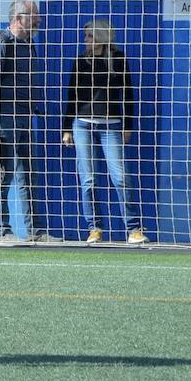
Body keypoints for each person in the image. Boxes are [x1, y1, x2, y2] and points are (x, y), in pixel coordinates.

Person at [60, 19, 147, 245]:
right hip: (82, 125)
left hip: (111, 125)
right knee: (88, 179)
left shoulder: (118, 60)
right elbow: (72, 95)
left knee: (120, 177)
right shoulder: (81, 61)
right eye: (86, 36)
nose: (86, 40)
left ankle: (134, 230)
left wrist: (128, 125)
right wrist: (66, 127)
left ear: (101, 37)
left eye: (89, 36)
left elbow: (127, 93)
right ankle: (95, 229)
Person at [0, 0, 54, 243]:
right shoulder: (2, 44)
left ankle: (36, 231)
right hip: (5, 119)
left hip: (26, 118)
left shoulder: (30, 44)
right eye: (34, 15)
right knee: (4, 174)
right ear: (18, 18)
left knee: (29, 176)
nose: (39, 20)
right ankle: (3, 231)